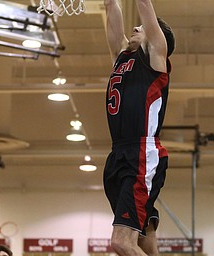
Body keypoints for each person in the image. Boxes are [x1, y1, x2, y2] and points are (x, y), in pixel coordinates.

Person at [103, 0, 175, 255]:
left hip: (142, 153)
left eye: (141, 27)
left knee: (121, 242)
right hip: (118, 155)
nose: (135, 27)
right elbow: (111, 5)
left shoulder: (156, 57)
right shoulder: (120, 57)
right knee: (144, 240)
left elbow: (143, 3)